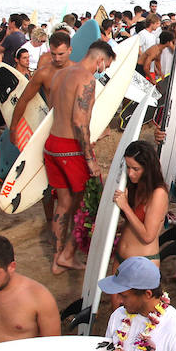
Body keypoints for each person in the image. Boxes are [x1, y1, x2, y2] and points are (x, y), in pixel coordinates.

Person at [42, 39, 115, 273]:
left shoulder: (62, 74)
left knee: (63, 204)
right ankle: (69, 254)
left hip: (52, 144)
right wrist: (90, 158)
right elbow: (79, 120)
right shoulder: (87, 79)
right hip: (71, 148)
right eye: (106, 65)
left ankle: (58, 258)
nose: (104, 70)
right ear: (100, 60)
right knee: (87, 202)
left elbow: (55, 111)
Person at [113, 140, 169, 265]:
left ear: (148, 168)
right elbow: (133, 223)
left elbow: (148, 236)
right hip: (121, 259)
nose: (130, 173)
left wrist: (125, 207)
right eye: (128, 167)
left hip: (142, 264)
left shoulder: (158, 193)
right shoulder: (135, 186)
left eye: (135, 169)